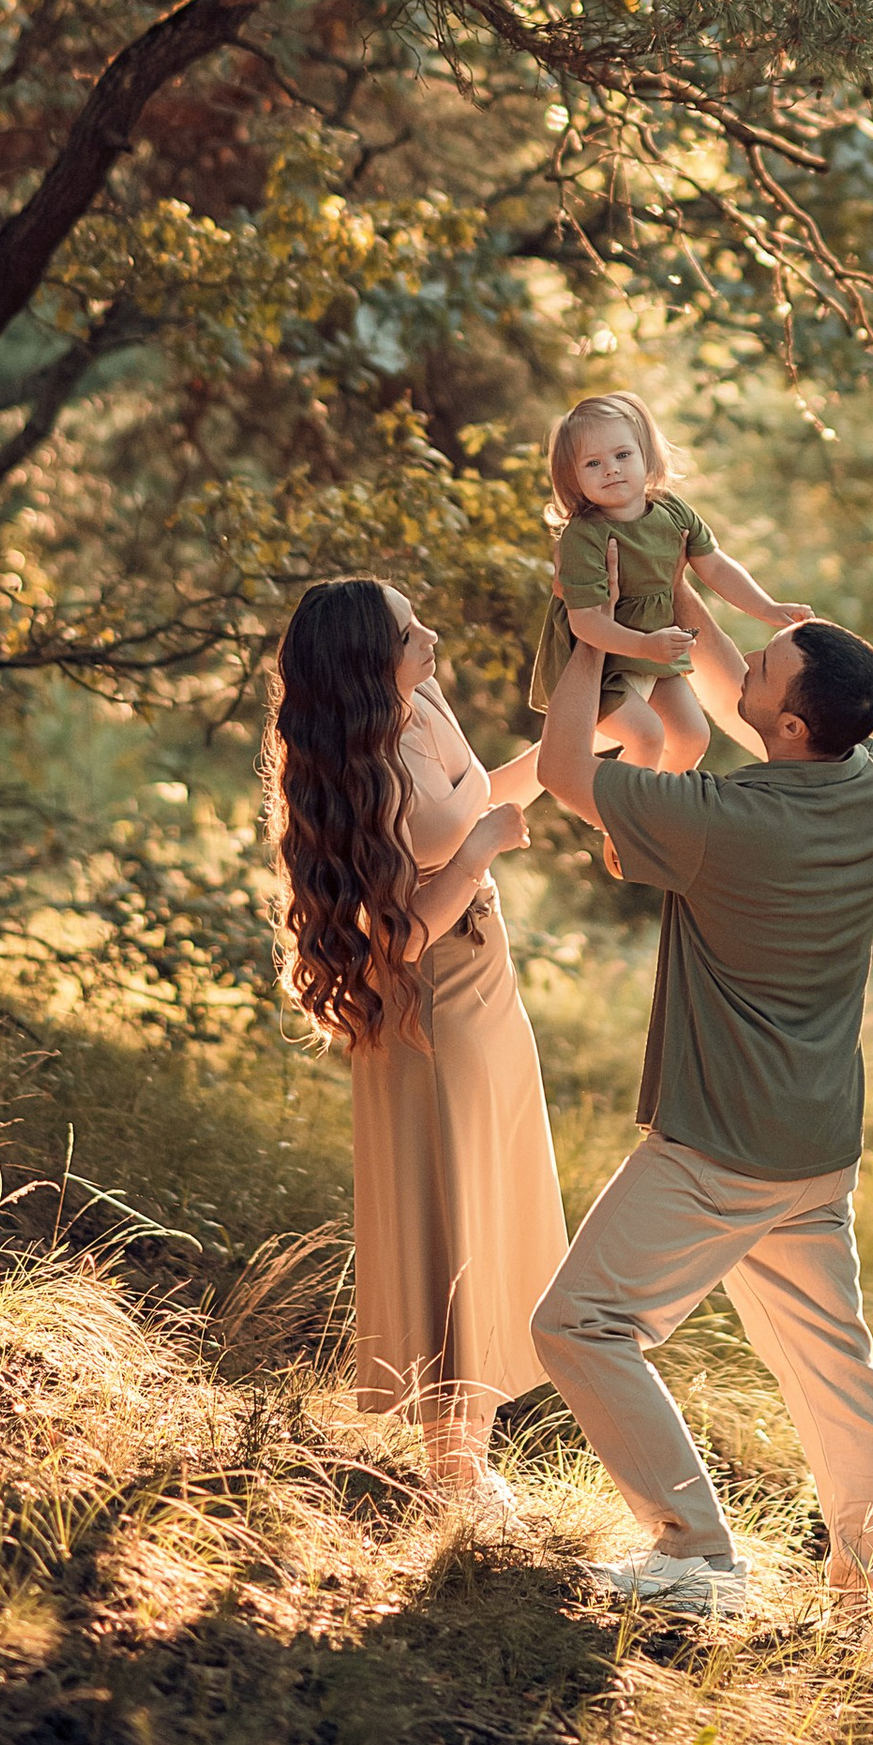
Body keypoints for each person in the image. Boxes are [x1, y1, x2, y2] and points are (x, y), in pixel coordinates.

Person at [530, 543, 873, 1621]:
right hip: (815, 1145)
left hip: (721, 1147)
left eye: (764, 667)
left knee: (580, 1326)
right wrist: (670, 580)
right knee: (834, 1369)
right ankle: (871, 1592)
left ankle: (693, 1555)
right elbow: (747, 691)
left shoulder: (722, 827)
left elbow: (565, 773)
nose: (744, 664)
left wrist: (587, 635)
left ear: (788, 725)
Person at [267, 575, 566, 1507]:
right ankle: (454, 1468)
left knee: (492, 1196)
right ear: (369, 662)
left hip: (484, 979)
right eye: (408, 632)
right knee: (452, 1211)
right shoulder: (357, 764)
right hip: (428, 1001)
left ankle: (467, 1456)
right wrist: (477, 854)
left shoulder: (423, 702)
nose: (429, 635)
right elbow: (394, 937)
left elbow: (486, 794)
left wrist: (583, 742)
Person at [526, 390, 813, 779]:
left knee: (692, 736)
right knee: (647, 735)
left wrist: (767, 608)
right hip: (600, 665)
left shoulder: (671, 510)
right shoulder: (584, 535)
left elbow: (716, 566)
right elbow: (586, 623)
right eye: (593, 463)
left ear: (646, 456)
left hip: (653, 653)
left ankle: (657, 806)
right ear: (571, 477)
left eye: (622, 455)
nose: (611, 469)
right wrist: (645, 645)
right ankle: (619, 812)